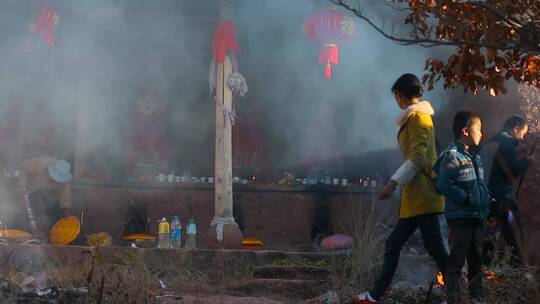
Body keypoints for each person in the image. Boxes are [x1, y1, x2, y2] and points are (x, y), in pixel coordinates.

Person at [353, 74, 448, 304]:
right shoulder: (416, 117)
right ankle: (375, 295)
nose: (396, 100)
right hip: (416, 197)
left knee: (433, 248)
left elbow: (417, 157)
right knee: (397, 244)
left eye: (396, 95)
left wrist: (392, 182)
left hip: (423, 195)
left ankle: (457, 290)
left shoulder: (419, 118)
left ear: (400, 95)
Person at [434, 111, 491, 304]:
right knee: (456, 262)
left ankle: (477, 297)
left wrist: (488, 202)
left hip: (476, 217)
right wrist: (466, 199)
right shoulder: (452, 156)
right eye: (479, 129)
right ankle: (454, 298)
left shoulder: (475, 156)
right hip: (461, 219)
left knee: (476, 261)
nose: (482, 133)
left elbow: (479, 186)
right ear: (465, 131)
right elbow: (444, 184)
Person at [486, 115, 532, 266]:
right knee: (515, 233)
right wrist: (528, 160)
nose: (521, 139)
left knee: (492, 234)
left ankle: (489, 264)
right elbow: (516, 168)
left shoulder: (494, 140)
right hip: (500, 199)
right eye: (522, 134)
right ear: (515, 129)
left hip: (489, 197)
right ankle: (517, 266)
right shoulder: (506, 143)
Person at [18, 155, 73, 241]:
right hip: (31, 190)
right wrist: (22, 186)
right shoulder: (40, 163)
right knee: (27, 215)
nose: (55, 181)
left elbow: (65, 195)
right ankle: (24, 237)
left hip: (48, 196)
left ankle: (44, 238)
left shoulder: (66, 179)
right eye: (54, 178)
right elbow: (22, 167)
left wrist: (65, 208)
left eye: (58, 180)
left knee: (47, 218)